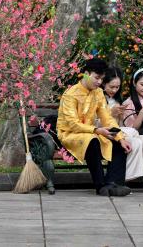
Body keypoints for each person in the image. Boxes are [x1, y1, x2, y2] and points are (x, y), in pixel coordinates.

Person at [57, 58, 133, 197]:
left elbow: (107, 118)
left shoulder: (98, 93)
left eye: (101, 79)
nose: (99, 82)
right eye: (96, 78)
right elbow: (72, 124)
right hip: (69, 134)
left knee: (117, 141)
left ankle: (114, 184)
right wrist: (97, 130)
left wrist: (120, 137)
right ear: (86, 74)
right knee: (92, 141)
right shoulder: (70, 95)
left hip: (91, 132)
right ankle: (100, 186)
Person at [102, 67, 143, 193]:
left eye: (117, 87)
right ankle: (122, 181)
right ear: (103, 84)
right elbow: (96, 121)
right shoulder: (98, 97)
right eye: (111, 87)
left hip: (121, 132)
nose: (114, 90)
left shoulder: (118, 100)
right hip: (107, 132)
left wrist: (118, 115)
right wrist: (111, 113)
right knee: (135, 141)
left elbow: (119, 124)